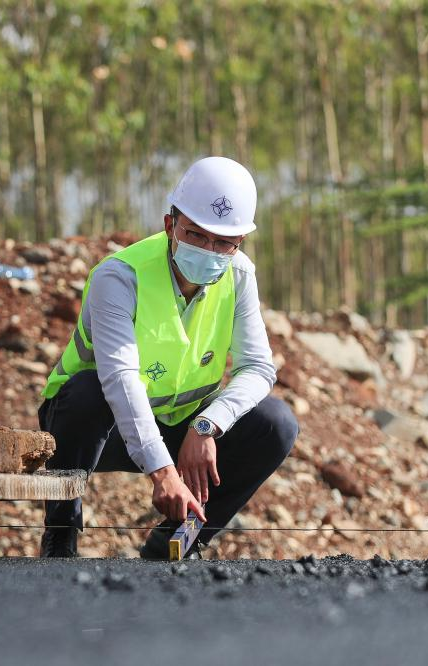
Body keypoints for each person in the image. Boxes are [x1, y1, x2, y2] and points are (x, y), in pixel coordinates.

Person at [38, 156, 298, 558]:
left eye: (225, 242)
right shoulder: (119, 277)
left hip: (183, 421)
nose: (211, 250)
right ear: (170, 225)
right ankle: (61, 531)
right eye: (196, 235)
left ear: (240, 242)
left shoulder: (240, 275)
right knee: (87, 391)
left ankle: (182, 539)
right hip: (95, 429)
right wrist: (162, 471)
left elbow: (259, 367)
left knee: (275, 424)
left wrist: (208, 425)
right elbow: (120, 380)